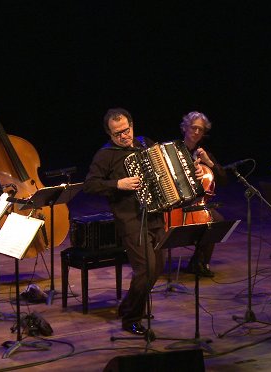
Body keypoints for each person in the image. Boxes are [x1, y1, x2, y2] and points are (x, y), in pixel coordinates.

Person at [84, 108, 204, 336]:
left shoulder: (144, 143)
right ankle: (131, 318)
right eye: (117, 133)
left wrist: (193, 170)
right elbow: (90, 185)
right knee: (146, 269)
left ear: (132, 125)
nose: (123, 136)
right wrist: (118, 184)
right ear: (109, 134)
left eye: (126, 130)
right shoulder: (105, 155)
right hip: (130, 220)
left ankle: (128, 306)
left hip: (155, 215)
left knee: (157, 267)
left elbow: (172, 167)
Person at [178, 111, 227, 277]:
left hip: (197, 204)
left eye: (201, 129)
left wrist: (208, 162)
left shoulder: (202, 153)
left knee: (217, 221)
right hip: (178, 203)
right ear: (185, 128)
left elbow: (223, 179)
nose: (197, 132)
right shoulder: (175, 150)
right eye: (193, 128)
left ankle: (199, 262)